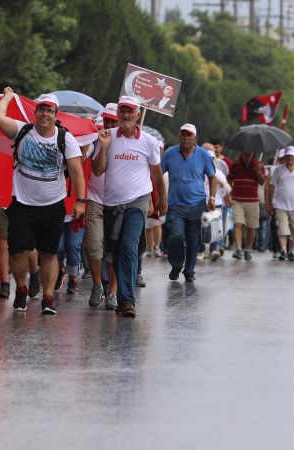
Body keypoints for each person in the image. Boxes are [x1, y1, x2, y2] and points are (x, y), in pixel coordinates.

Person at [0, 89, 85, 316]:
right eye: (41, 109)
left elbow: (76, 171)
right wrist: (8, 97)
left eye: (49, 110)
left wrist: (81, 201)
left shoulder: (65, 138)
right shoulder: (22, 131)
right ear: (35, 112)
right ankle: (21, 288)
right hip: (22, 203)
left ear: (55, 114)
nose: (44, 114)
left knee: (48, 254)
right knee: (18, 251)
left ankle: (48, 297)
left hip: (53, 205)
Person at [92, 96, 166, 318]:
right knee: (113, 251)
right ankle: (115, 288)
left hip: (137, 201)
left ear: (137, 114)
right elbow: (97, 170)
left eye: (130, 111)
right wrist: (104, 148)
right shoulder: (107, 136)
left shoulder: (149, 142)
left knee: (128, 247)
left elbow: (157, 175)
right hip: (111, 203)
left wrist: (162, 200)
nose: (125, 115)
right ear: (118, 114)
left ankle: (126, 301)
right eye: (122, 110)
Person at [161, 123, 217, 282]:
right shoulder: (170, 154)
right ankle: (177, 265)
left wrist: (212, 198)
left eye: (189, 135)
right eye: (183, 134)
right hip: (175, 205)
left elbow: (212, 176)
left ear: (195, 138)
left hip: (197, 204)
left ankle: (189, 270)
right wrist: (157, 198)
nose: (186, 138)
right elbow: (158, 175)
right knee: (176, 236)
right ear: (179, 137)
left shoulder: (203, 155)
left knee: (193, 240)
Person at [84, 105, 118, 309]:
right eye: (107, 121)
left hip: (119, 201)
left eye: (114, 122)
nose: (110, 125)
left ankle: (112, 292)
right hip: (95, 199)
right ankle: (97, 285)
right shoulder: (94, 140)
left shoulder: (128, 142)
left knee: (114, 249)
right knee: (94, 246)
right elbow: (81, 160)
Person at [228, 149, 265, 260]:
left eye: (249, 153)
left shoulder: (258, 164)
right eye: (245, 153)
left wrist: (258, 172)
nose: (247, 155)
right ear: (242, 153)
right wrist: (230, 192)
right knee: (238, 224)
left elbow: (262, 182)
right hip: (237, 200)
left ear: (253, 153)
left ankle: (247, 249)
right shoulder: (235, 164)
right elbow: (229, 178)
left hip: (252, 200)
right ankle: (239, 249)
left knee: (251, 227)